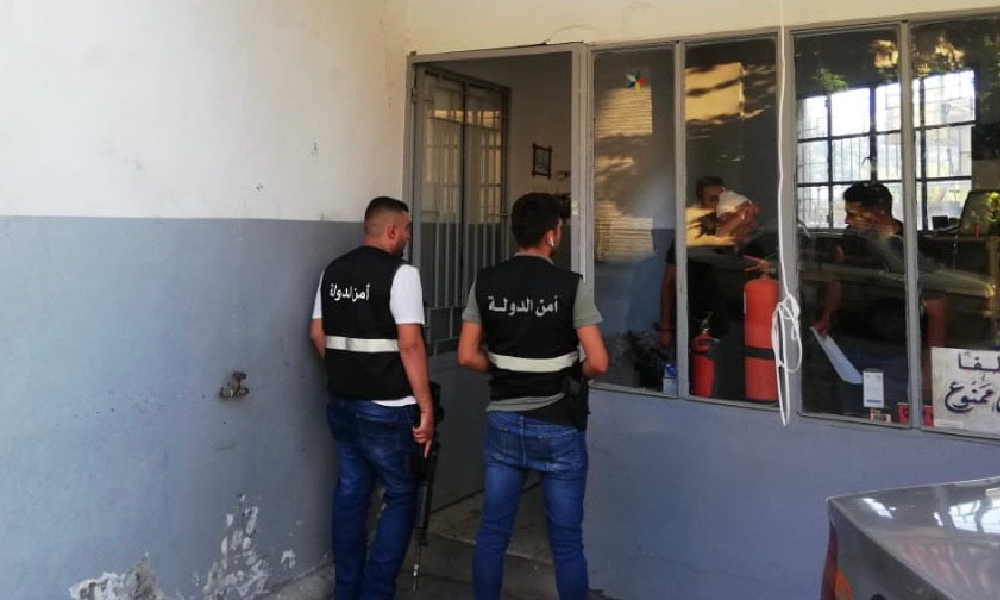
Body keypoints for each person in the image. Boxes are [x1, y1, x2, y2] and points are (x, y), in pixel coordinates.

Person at [457, 192, 608, 600]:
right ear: (551, 235)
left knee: (492, 534)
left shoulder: (486, 281)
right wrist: (572, 371)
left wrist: (503, 368)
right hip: (558, 423)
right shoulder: (571, 286)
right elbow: (598, 361)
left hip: (503, 423)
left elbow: (466, 355)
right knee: (567, 543)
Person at [309, 196, 434, 600]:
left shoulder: (332, 271)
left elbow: (317, 334)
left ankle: (346, 591)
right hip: (389, 409)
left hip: (343, 403)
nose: (409, 236)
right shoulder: (403, 275)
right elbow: (411, 345)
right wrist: (426, 408)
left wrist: (349, 369)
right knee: (401, 495)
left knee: (350, 494)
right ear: (392, 230)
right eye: (407, 229)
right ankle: (376, 593)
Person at [658, 175, 726, 351]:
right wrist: (665, 327)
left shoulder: (730, 234)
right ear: (700, 203)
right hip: (691, 318)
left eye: (721, 199)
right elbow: (668, 283)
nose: (718, 205)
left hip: (724, 318)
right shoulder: (687, 236)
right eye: (712, 199)